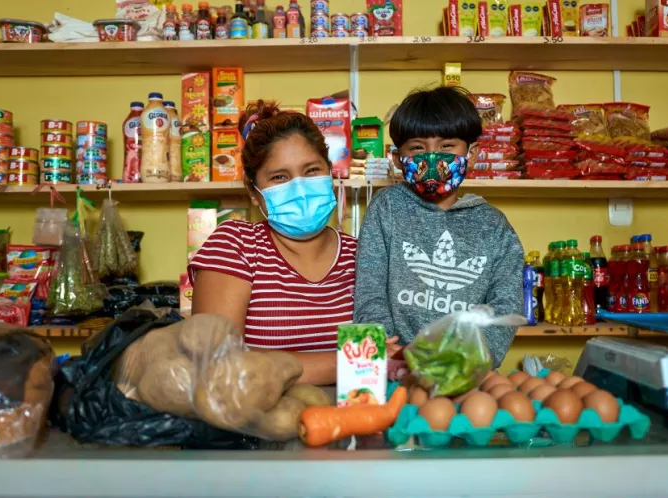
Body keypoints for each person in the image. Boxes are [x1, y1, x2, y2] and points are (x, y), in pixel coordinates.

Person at [353, 85, 524, 368]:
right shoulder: (387, 208)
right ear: (398, 159)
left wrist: (473, 361)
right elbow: (369, 294)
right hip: (396, 367)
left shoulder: (494, 226)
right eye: (418, 148)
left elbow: (504, 308)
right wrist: (395, 355)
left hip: (465, 369)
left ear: (472, 154)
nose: (432, 158)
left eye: (447, 147)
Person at [189, 101, 356, 385]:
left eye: (312, 170)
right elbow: (218, 364)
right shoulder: (235, 245)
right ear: (254, 192)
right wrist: (349, 362)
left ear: (330, 172)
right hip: (258, 425)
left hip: (352, 421)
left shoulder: (360, 254)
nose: (300, 187)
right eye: (280, 177)